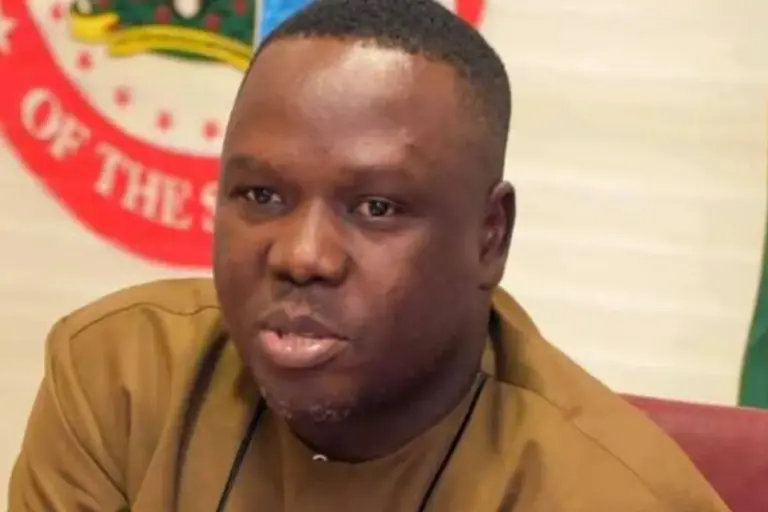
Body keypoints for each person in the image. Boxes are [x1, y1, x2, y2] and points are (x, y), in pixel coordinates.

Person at [8, 0, 730, 510]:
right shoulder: (122, 377)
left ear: (490, 238)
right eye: (261, 195)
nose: (301, 256)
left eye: (377, 208)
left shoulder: (615, 496)